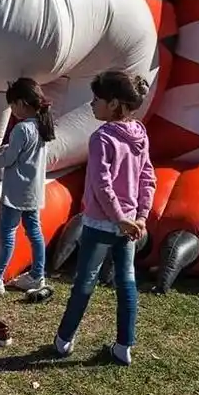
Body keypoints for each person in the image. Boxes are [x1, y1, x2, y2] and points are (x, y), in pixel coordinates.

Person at [54, 71, 155, 367]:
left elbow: (101, 183)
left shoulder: (101, 138)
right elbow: (148, 176)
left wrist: (121, 218)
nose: (92, 104)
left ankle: (63, 340)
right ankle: (124, 345)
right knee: (126, 282)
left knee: (85, 281)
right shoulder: (140, 133)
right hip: (130, 225)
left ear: (114, 104)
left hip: (102, 224)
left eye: (97, 99)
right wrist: (140, 216)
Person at [0, 79, 55, 295]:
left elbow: (7, 160)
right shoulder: (41, 126)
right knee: (34, 233)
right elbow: (23, 154)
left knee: (7, 234)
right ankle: (37, 274)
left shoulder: (21, 129)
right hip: (33, 191)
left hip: (15, 192)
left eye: (12, 105)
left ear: (22, 103)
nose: (12, 110)